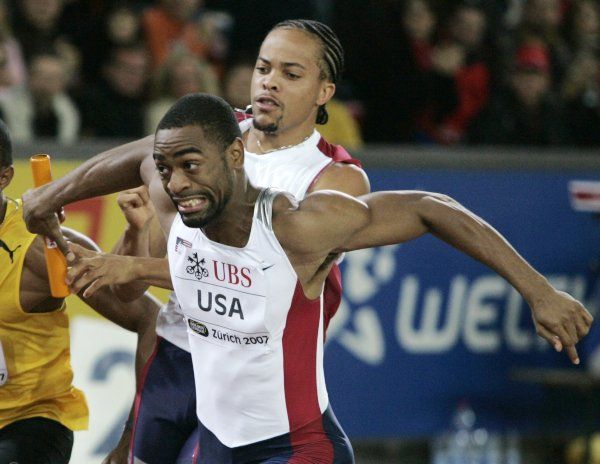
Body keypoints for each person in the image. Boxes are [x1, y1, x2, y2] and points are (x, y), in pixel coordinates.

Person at [65, 93, 592, 463]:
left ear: (234, 155)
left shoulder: (296, 225)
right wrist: (64, 213)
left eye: (190, 165)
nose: (177, 183)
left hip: (296, 448)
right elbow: (174, 282)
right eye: (165, 168)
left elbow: (433, 208)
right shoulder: (181, 213)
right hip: (219, 443)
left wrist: (537, 290)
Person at [27, 19, 369, 464]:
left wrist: (132, 267)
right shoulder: (207, 138)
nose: (270, 82)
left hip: (254, 381)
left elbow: (253, 281)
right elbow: (137, 156)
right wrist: (54, 198)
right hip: (176, 357)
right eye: (264, 68)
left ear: (324, 91)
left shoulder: (336, 178)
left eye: (291, 73)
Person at [0, 118, 160, 463]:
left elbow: (148, 318)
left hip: (30, 424)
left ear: (4, 178)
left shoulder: (41, 250)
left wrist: (131, 437)